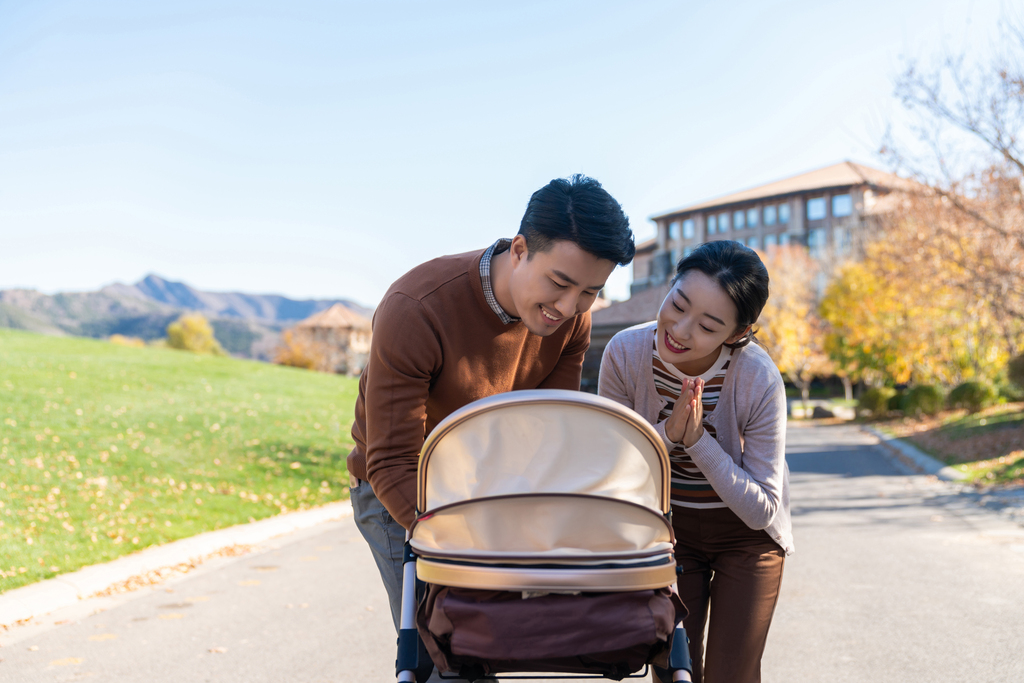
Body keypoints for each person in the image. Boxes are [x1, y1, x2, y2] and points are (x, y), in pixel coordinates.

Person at [347, 174, 636, 637]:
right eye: (560, 283)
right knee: (448, 648)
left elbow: (550, 431)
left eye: (589, 291)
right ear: (520, 249)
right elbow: (391, 462)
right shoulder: (415, 309)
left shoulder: (572, 320)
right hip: (402, 487)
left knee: (511, 640)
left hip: (496, 486)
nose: (568, 306)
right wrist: (478, 549)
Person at [598, 240, 792, 683]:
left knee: (731, 675)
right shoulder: (625, 354)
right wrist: (669, 436)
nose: (681, 330)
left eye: (707, 326)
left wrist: (699, 441)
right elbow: (612, 471)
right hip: (668, 531)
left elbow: (763, 506)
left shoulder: (757, 377)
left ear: (738, 333)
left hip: (748, 540)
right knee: (673, 670)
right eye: (678, 304)